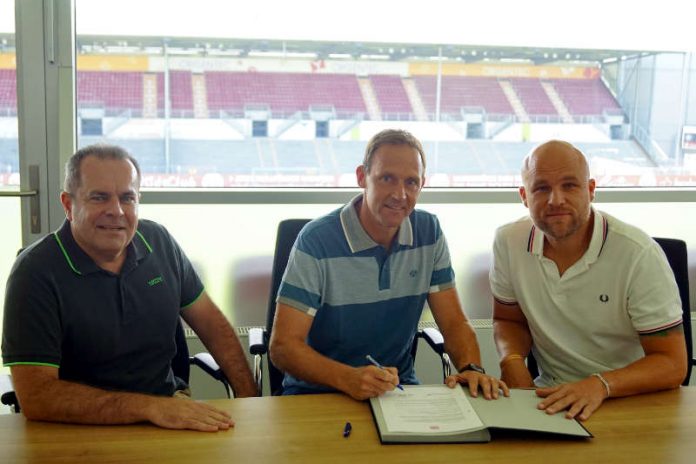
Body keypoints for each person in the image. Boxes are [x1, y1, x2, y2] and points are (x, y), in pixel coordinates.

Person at [2, 144, 257, 431]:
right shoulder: (34, 273)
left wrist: (251, 400)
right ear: (68, 205)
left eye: (127, 198)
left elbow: (212, 324)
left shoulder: (159, 242)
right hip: (74, 425)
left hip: (168, 410)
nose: (117, 211)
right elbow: (37, 396)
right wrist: (148, 407)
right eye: (99, 198)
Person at [270, 129, 508, 400]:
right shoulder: (316, 241)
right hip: (317, 394)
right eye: (387, 178)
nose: (400, 194)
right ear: (362, 177)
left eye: (411, 182)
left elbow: (453, 323)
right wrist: (348, 378)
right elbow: (283, 347)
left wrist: (471, 367)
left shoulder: (428, 232)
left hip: (396, 393)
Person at [491, 140, 687, 421]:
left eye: (569, 185)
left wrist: (600, 385)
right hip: (552, 400)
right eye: (541, 188)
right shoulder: (508, 241)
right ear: (524, 196)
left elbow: (672, 364)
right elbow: (508, 320)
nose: (555, 200)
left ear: (591, 190)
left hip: (631, 400)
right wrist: (511, 361)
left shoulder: (638, 253)